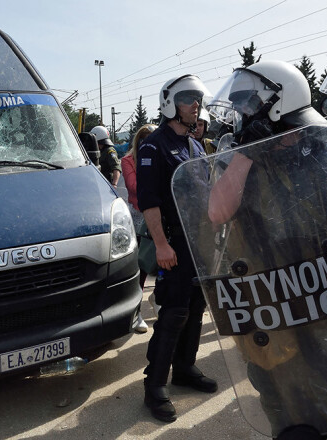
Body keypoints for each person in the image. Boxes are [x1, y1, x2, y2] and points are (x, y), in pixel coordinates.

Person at [206, 60, 327, 440]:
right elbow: (217, 212)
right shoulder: (239, 155)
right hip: (265, 294)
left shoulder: (324, 154)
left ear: (276, 105)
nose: (240, 114)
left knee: (324, 384)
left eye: (247, 104)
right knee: (272, 384)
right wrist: (247, 153)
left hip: (317, 293)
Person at [137, 73, 217, 423]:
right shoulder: (155, 145)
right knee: (173, 312)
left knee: (196, 306)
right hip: (174, 242)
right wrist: (161, 245)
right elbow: (149, 201)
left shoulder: (194, 144)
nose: (195, 105)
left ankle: (185, 367)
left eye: (197, 99)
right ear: (171, 103)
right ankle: (155, 386)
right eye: (188, 99)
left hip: (199, 241)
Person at [121, 123, 158, 331]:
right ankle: (136, 313)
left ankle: (157, 299)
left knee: (164, 262)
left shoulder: (160, 157)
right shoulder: (127, 160)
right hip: (138, 217)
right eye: (144, 141)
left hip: (159, 215)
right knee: (141, 265)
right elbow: (133, 187)